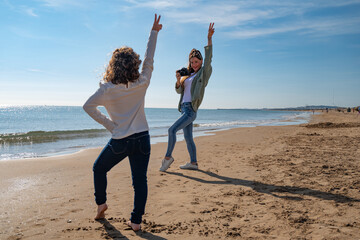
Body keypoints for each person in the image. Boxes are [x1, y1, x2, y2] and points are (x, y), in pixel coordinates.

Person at [83, 14, 162, 231]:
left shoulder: (107, 89)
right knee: (140, 181)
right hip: (143, 137)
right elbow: (149, 59)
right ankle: (136, 222)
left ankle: (101, 204)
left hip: (121, 140)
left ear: (113, 66)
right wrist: (154, 32)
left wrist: (110, 125)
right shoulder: (142, 82)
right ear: (133, 64)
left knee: (99, 168)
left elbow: (88, 107)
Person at [160, 23, 215, 172]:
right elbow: (179, 91)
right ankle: (193, 163)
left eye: (196, 62)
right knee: (188, 138)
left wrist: (209, 39)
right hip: (184, 109)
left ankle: (167, 158)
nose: (194, 64)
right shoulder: (188, 75)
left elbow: (209, 58)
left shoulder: (203, 73)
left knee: (172, 131)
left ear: (201, 62)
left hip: (191, 110)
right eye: (192, 62)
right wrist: (179, 80)